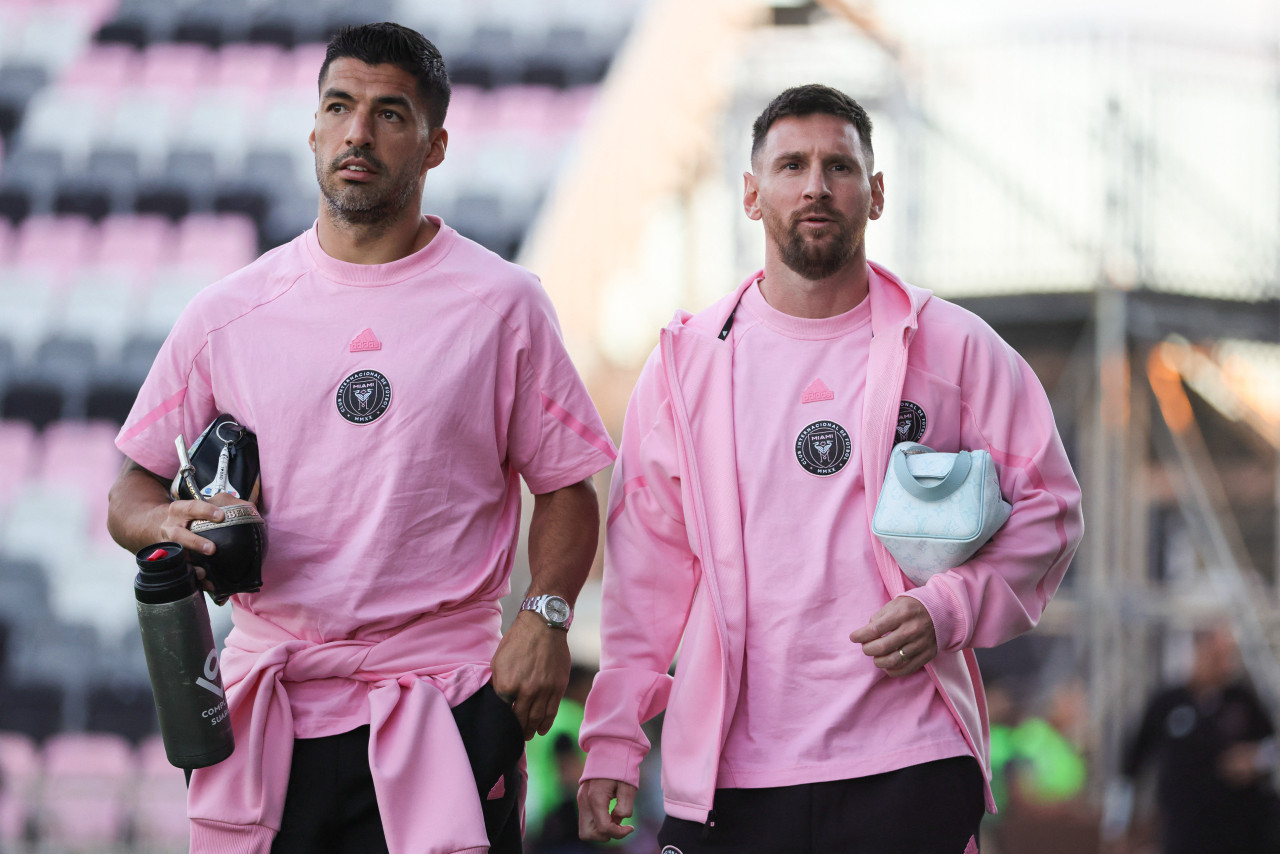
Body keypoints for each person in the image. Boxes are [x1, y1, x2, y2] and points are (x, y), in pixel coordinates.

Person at [106, 22, 616, 854]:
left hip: (444, 704)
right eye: (340, 107)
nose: (358, 132)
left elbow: (567, 485)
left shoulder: (504, 303)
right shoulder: (227, 313)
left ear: (435, 143)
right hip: (270, 711)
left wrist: (547, 615)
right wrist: (171, 523)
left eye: (389, 114)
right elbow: (131, 490)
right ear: (313, 129)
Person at [576, 84, 1083, 853]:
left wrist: (949, 607)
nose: (816, 185)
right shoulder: (686, 368)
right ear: (751, 194)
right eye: (792, 165)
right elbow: (645, 570)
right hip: (731, 776)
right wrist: (614, 737)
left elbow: (1051, 507)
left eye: (839, 167)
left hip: (909, 759)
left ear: (875, 194)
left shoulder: (955, 347)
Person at [1115, 625, 1280, 854]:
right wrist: (1117, 825)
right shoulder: (1167, 702)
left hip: (1240, 832)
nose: (1225, 664)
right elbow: (1130, 767)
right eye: (1216, 655)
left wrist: (1255, 759)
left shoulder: (1242, 701)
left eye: (1229, 656)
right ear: (1196, 651)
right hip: (1183, 832)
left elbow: (1273, 748)